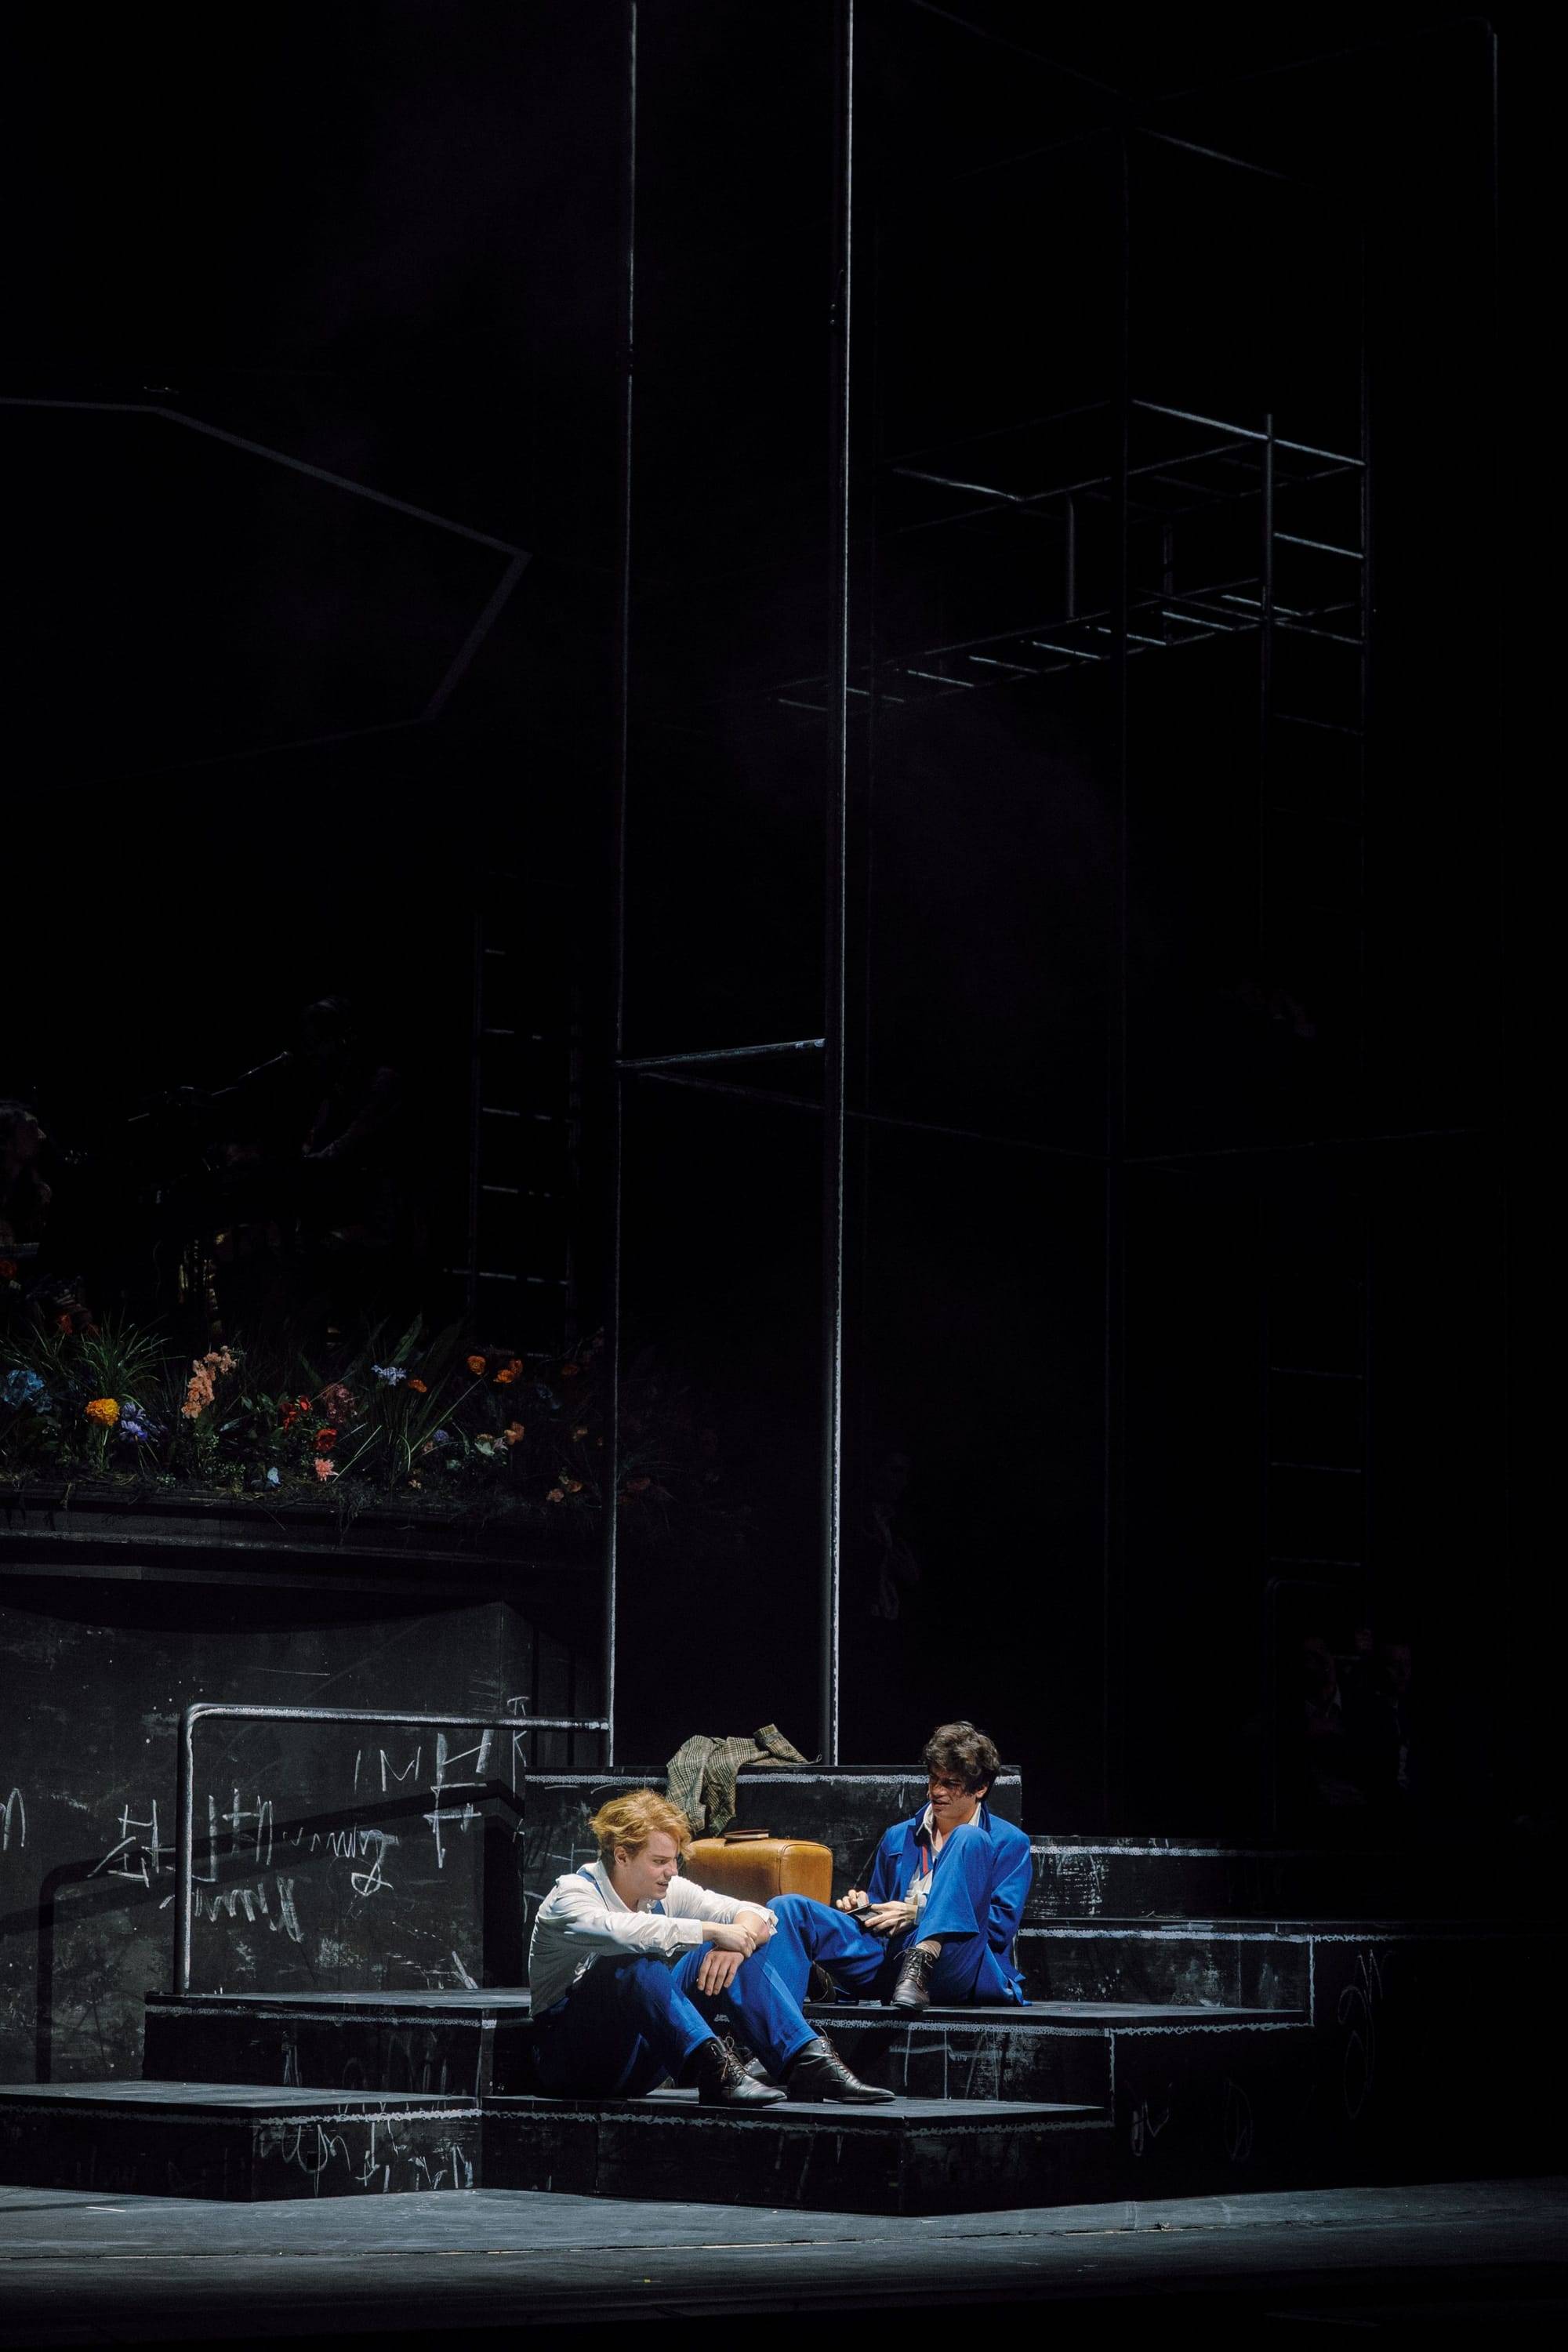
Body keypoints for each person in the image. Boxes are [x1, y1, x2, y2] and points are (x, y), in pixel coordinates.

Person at [528, 1789, 895, 2107]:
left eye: (675, 1860)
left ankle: (805, 2061)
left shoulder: (666, 1890)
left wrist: (734, 1944)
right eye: (659, 1862)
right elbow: (623, 1933)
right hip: (574, 2063)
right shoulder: (570, 1896)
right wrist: (715, 1931)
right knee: (631, 1963)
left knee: (731, 1952)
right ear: (621, 1856)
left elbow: (757, 1914)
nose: (672, 1871)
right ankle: (716, 2069)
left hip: (641, 2061)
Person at [834, 1719, 1033, 2008]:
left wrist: (919, 1915)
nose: (936, 1791)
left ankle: (924, 1956)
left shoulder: (1008, 1842)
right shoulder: (898, 1836)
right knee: (793, 1909)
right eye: (933, 1779)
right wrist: (865, 1908)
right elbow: (883, 1909)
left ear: (980, 1788)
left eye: (950, 1784)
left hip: (959, 1961)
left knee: (968, 1837)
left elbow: (998, 1929)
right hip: (895, 1959)